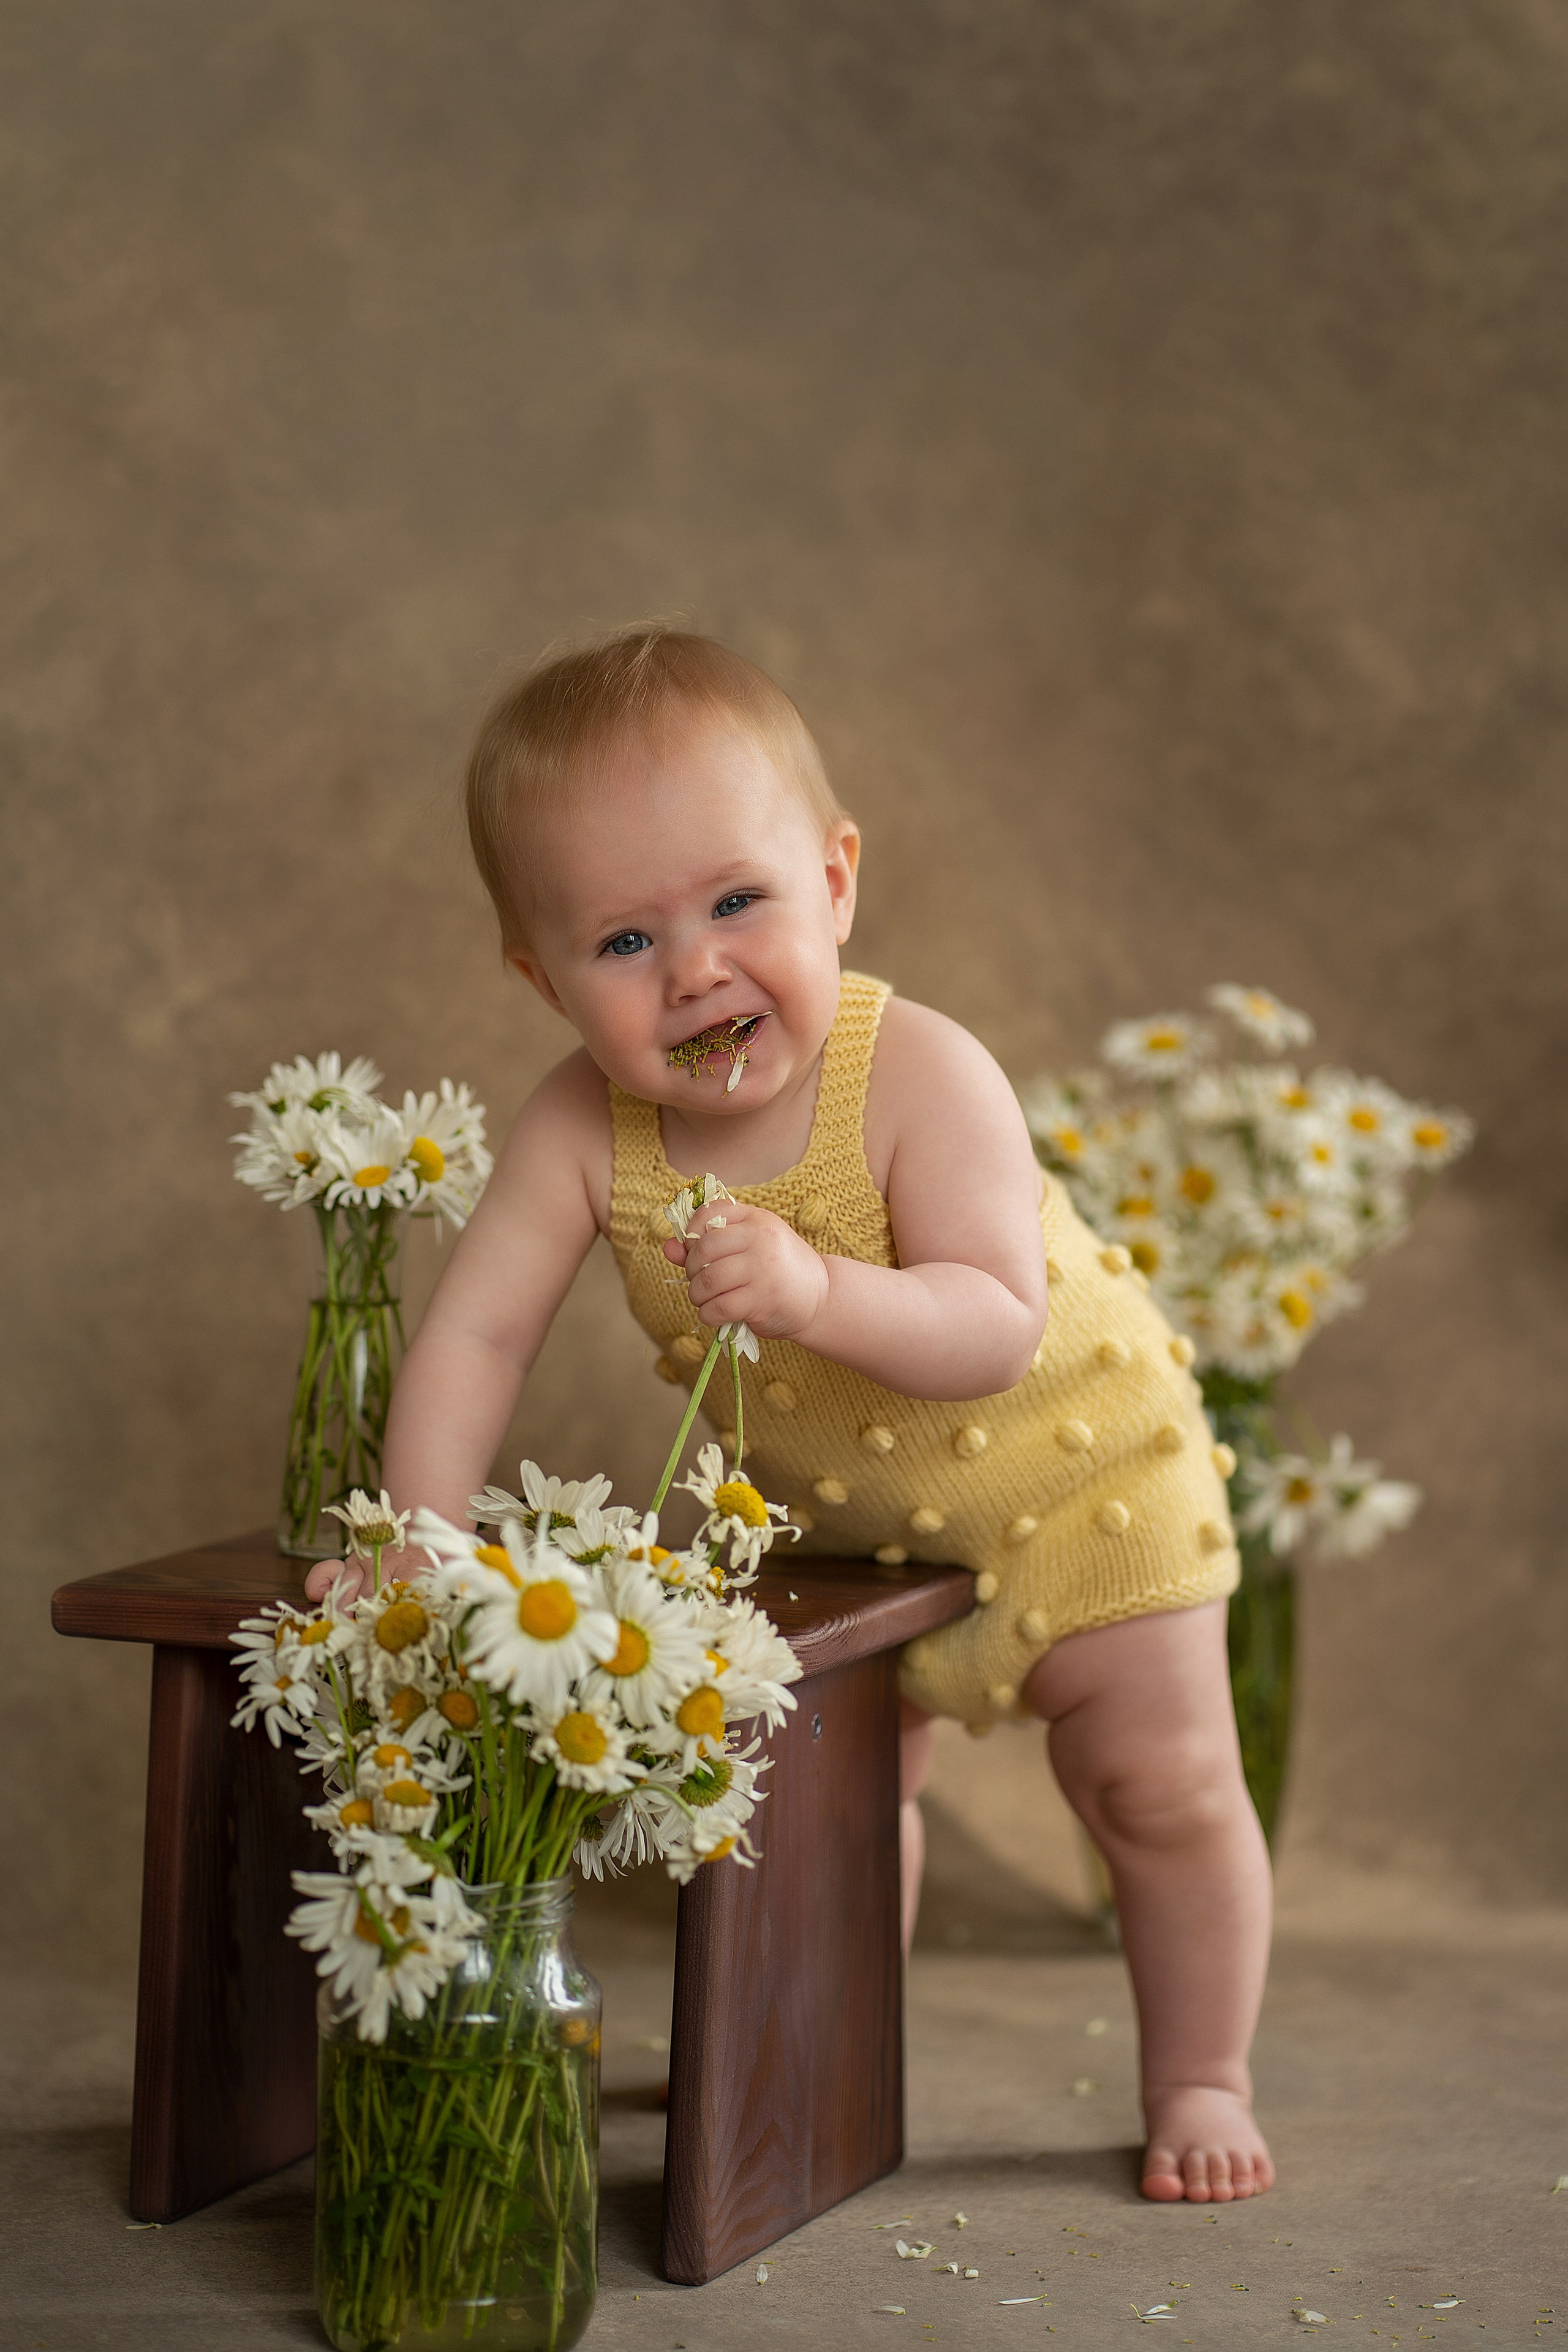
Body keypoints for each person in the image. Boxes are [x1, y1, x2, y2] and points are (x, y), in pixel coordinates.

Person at [306, 626, 1274, 2204]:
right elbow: (479, 1334)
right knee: (821, 1815)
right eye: (623, 943)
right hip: (835, 1533)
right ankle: (813, 2054)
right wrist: (423, 1538)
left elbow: (995, 1322)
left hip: (1086, 1474)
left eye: (736, 902)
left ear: (833, 882)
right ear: (541, 978)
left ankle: (1201, 2073)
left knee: (1156, 1793)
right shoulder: (580, 1129)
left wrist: (818, 1294)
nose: (693, 968)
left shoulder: (918, 1074)